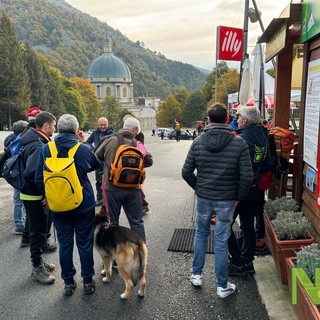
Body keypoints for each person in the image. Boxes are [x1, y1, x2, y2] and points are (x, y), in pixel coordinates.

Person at [182, 103, 253, 298]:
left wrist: (200, 187)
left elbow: (186, 172)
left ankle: (196, 275)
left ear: (209, 120)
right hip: (227, 199)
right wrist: (238, 196)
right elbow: (247, 177)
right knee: (221, 241)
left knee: (201, 234)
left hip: (204, 197)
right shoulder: (239, 143)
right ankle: (222, 287)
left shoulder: (198, 142)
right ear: (227, 119)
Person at [35, 114, 101, 296]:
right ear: (75, 129)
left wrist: (49, 197)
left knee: (65, 245)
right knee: (84, 244)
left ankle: (68, 283)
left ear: (58, 129)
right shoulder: (82, 149)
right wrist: (83, 143)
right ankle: (87, 281)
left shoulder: (46, 148)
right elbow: (95, 164)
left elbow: (38, 178)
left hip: (57, 205)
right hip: (82, 205)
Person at [95, 117, 152, 242]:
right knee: (136, 222)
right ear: (135, 129)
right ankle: (141, 252)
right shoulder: (137, 143)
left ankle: (115, 255)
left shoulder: (109, 140)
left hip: (112, 188)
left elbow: (96, 156)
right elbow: (149, 161)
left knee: (113, 222)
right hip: (133, 188)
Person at [228, 107, 269, 276]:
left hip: (239, 190)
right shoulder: (263, 136)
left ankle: (237, 262)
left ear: (245, 121)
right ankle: (247, 261)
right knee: (247, 226)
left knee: (225, 225)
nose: (237, 120)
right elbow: (267, 163)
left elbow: (233, 166)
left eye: (238, 117)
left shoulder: (241, 139)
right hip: (255, 188)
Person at [19, 111, 57, 284]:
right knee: (37, 232)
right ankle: (36, 268)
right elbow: (32, 172)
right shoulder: (37, 143)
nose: (54, 129)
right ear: (46, 125)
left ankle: (39, 262)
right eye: (53, 126)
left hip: (30, 193)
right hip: (34, 195)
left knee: (39, 230)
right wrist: (44, 193)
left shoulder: (34, 138)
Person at [4, 120, 28, 235]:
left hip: (13, 171)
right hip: (20, 171)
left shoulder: (9, 140)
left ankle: (19, 222)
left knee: (17, 199)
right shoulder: (20, 140)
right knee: (20, 199)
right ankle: (19, 225)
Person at [86, 117, 114, 206]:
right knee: (98, 181)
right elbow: (88, 142)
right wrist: (93, 149)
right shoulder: (95, 133)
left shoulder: (112, 134)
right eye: (101, 125)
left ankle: (109, 200)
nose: (102, 127)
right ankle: (99, 198)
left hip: (108, 161)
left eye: (104, 125)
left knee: (109, 180)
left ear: (107, 124)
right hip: (97, 160)